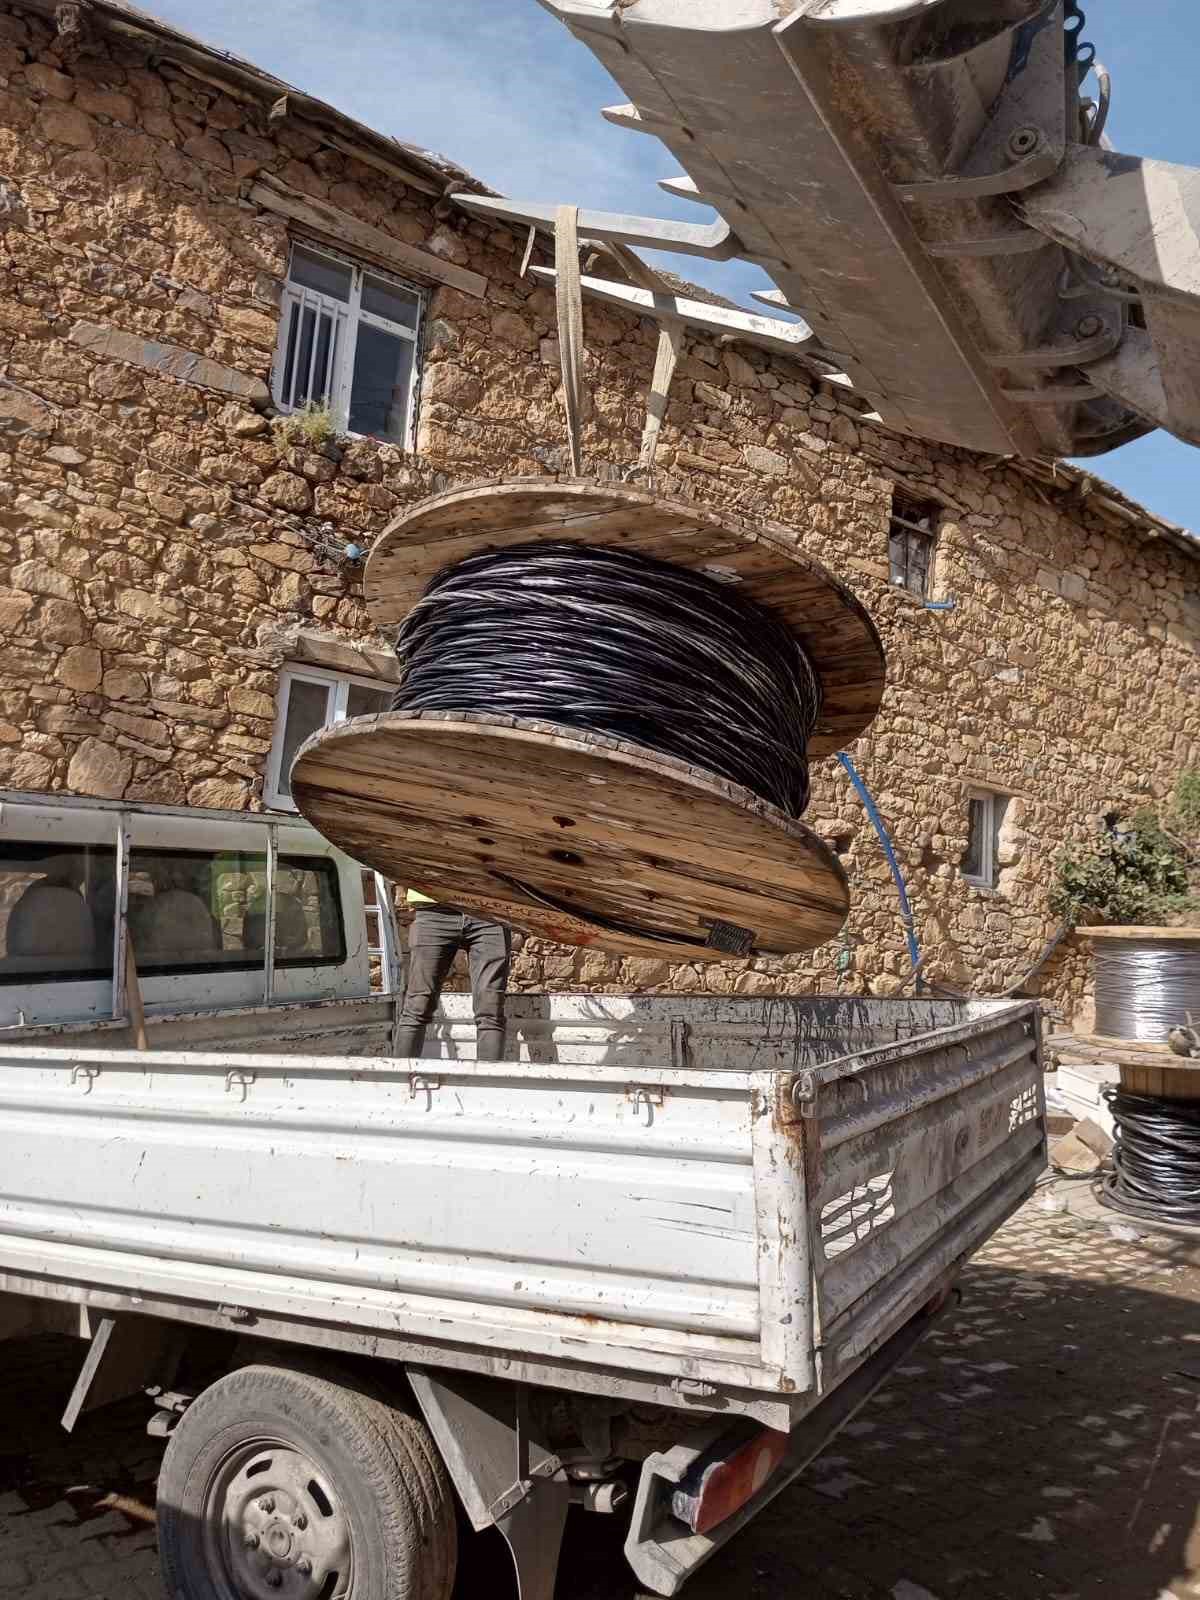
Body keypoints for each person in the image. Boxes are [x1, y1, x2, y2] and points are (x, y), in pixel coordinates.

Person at [394, 889, 514, 1062]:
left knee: (491, 1010)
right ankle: (400, 1083)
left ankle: (487, 1088)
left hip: (490, 911)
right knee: (417, 1005)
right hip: (433, 909)